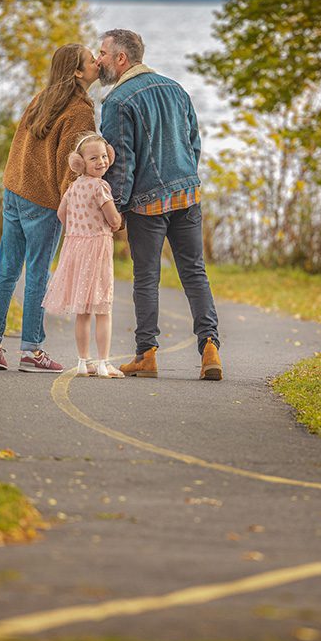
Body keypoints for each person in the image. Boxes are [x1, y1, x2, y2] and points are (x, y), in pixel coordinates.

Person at [98, 28, 222, 381]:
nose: (99, 59)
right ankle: (210, 346)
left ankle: (146, 354)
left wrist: (116, 209)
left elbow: (122, 162)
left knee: (146, 279)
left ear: (122, 58)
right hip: (187, 194)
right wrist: (185, 177)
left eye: (103, 53)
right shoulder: (176, 89)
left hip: (147, 204)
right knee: (194, 272)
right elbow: (193, 142)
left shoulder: (118, 101)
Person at [0, 44, 99, 373]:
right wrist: (73, 208)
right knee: (37, 273)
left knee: (6, 269)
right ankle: (32, 350)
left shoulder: (42, 98)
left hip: (15, 191)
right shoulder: (79, 111)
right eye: (91, 61)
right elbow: (70, 166)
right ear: (77, 71)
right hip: (43, 200)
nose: (96, 65)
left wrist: (14, 182)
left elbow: (20, 146)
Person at [42, 132, 124, 378]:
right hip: (97, 248)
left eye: (103, 156)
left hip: (75, 249)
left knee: (83, 310)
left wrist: (76, 228)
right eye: (93, 158)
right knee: (102, 308)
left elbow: (60, 214)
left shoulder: (73, 187)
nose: (101, 162)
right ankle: (103, 363)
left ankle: (82, 362)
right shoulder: (100, 186)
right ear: (79, 163)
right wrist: (118, 222)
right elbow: (113, 218)